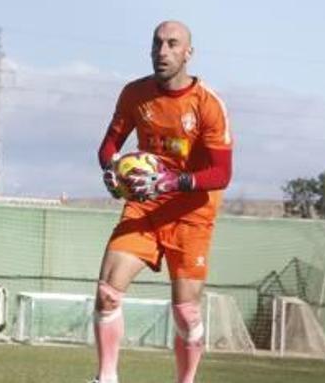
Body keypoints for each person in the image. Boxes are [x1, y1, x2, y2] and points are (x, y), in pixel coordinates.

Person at [91, 20, 233, 383]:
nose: (162, 51)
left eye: (172, 44)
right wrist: (111, 170)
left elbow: (221, 173)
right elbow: (109, 146)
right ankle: (106, 378)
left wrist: (175, 180)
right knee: (107, 294)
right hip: (144, 208)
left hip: (192, 214)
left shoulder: (208, 105)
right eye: (157, 44)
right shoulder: (134, 94)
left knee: (186, 314)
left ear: (189, 52)